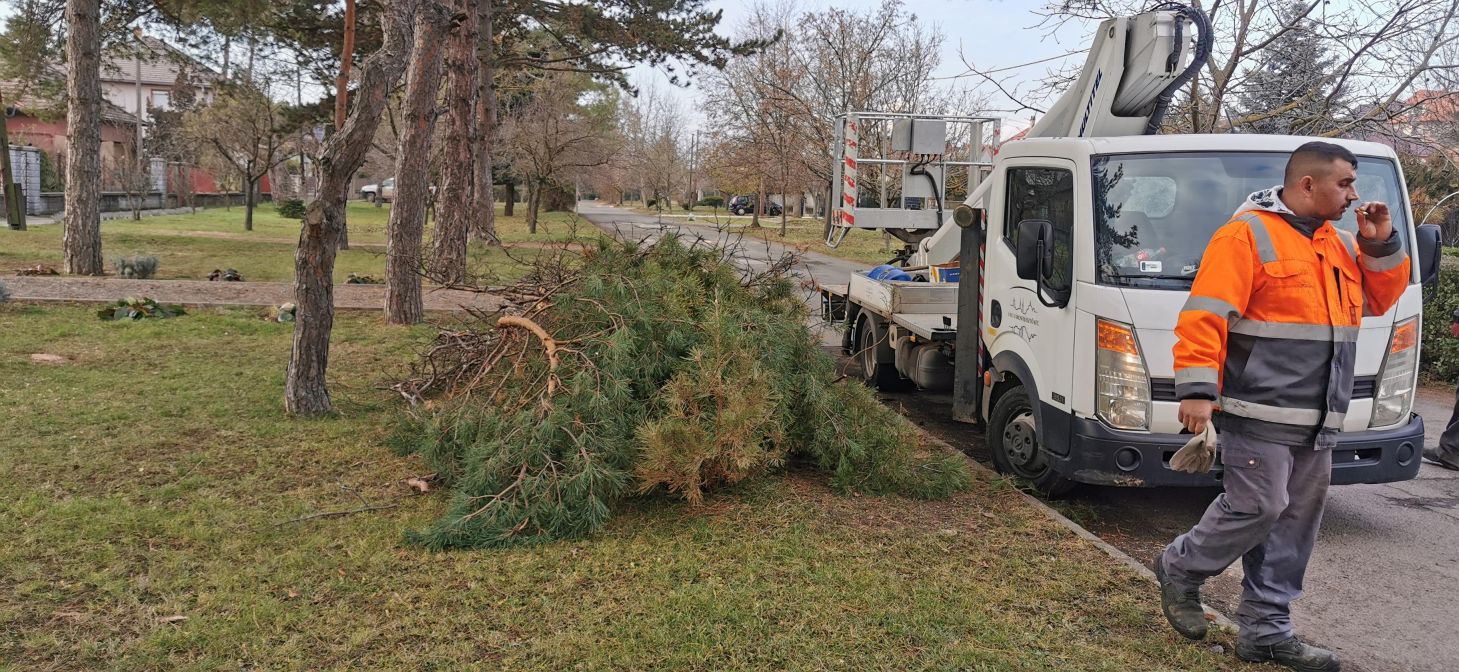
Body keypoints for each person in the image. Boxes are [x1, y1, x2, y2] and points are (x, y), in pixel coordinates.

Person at [1157, 141, 1411, 672]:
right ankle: (1180, 567)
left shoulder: (1338, 244)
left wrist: (1379, 242)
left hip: (1319, 419)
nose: (1354, 195)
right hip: (1257, 411)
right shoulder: (1245, 235)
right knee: (1260, 507)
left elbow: (1379, 300)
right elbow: (1204, 315)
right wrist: (1198, 393)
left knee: (1294, 526)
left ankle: (1267, 634)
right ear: (1307, 185)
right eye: (1344, 184)